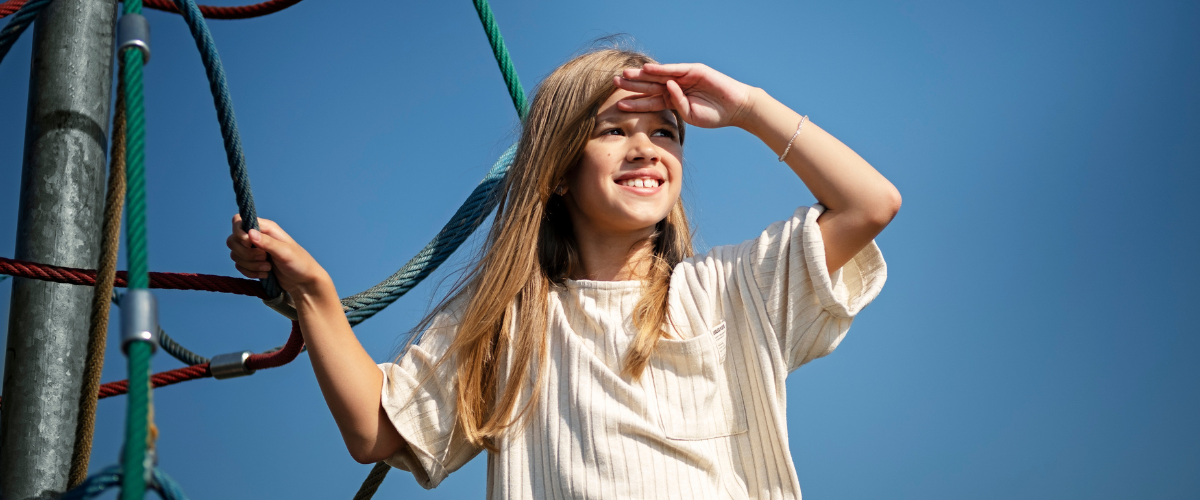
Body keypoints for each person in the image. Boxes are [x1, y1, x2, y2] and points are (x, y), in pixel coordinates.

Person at [227, 48, 900, 499]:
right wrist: (316, 295)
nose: (645, 148)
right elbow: (377, 429)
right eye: (613, 131)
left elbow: (870, 204)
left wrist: (749, 106)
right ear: (556, 173)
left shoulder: (732, 289)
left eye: (665, 132)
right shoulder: (509, 322)